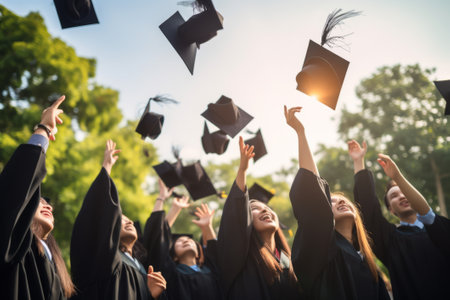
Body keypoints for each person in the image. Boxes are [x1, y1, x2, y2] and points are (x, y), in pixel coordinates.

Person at [285, 106, 389, 300]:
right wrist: (301, 132)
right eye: (331, 201)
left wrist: (359, 162)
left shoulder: (365, 258)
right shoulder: (322, 249)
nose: (341, 202)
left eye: (344, 200)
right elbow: (313, 192)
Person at [348, 139, 450, 300]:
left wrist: (397, 177)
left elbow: (429, 216)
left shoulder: (442, 228)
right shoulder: (390, 240)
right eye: (394, 196)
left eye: (403, 191)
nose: (401, 196)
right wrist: (359, 162)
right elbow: (368, 209)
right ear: (390, 209)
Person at [0, 95, 76, 299]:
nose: (47, 205)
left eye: (47, 203)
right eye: (39, 200)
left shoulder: (55, 267)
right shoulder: (15, 246)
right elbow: (14, 191)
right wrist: (43, 130)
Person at [70, 140, 166, 300]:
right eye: (121, 219)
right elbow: (98, 213)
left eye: (129, 220)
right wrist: (106, 167)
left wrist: (152, 295)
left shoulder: (142, 267)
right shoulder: (100, 259)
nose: (129, 222)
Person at [216, 137, 300, 300]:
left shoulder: (287, 260)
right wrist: (242, 171)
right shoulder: (242, 257)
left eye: (268, 209)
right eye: (254, 209)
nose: (265, 211)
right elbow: (234, 219)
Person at [143, 178, 223, 300]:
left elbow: (215, 252)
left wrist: (207, 227)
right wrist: (167, 202)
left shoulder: (210, 270)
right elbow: (158, 237)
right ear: (174, 256)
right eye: (179, 241)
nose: (186, 240)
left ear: (198, 253)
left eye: (190, 241)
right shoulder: (171, 272)